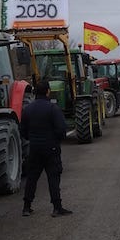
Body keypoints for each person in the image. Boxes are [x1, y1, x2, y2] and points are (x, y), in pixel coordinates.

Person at [20, 80, 72, 217]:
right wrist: (56, 141)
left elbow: (23, 131)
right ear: (48, 91)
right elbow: (61, 129)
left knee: (32, 178)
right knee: (53, 177)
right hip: (51, 148)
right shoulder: (53, 108)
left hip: (35, 148)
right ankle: (57, 207)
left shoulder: (28, 109)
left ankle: (26, 207)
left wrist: (32, 139)